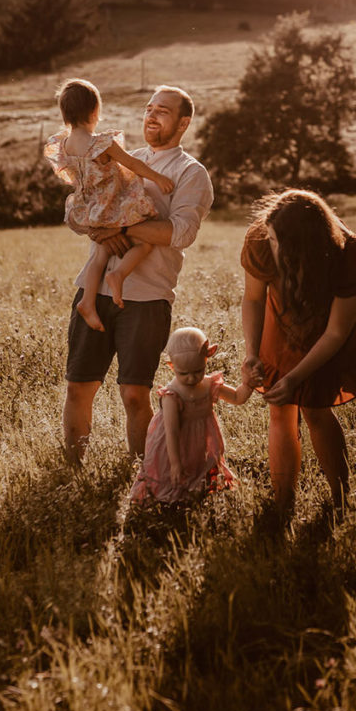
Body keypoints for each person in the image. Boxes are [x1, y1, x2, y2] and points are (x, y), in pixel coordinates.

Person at [62, 85, 214, 463]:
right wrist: (97, 229)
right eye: (148, 108)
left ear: (184, 122)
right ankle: (72, 472)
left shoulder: (190, 173)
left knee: (134, 393)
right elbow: (81, 206)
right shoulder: (120, 157)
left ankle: (144, 477)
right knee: (79, 388)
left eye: (162, 110)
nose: (151, 115)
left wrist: (121, 230)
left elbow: (180, 232)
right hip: (93, 291)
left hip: (147, 297)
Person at [240, 189, 356, 520]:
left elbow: (337, 332)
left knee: (316, 409)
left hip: (323, 324)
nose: (270, 245)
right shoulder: (260, 238)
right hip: (279, 315)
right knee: (279, 407)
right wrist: (251, 353)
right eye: (269, 237)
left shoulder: (346, 252)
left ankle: (341, 499)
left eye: (277, 242)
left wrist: (297, 375)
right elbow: (254, 299)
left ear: (305, 246)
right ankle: (282, 503)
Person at [44, 78, 176, 332]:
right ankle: (118, 274)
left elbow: (68, 176)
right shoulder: (101, 143)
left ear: (65, 114)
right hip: (111, 206)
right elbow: (133, 164)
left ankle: (87, 301)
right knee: (146, 241)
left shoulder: (63, 145)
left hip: (86, 209)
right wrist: (158, 177)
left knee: (100, 255)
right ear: (95, 111)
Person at [129, 327, 253, 505]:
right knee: (173, 475)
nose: (191, 378)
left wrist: (248, 384)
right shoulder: (172, 395)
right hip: (173, 445)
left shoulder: (209, 384)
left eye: (198, 371)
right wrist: (175, 463)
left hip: (199, 441)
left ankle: (196, 494)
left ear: (206, 359)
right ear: (172, 366)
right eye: (183, 373)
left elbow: (236, 398)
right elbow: (171, 431)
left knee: (198, 466)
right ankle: (170, 501)